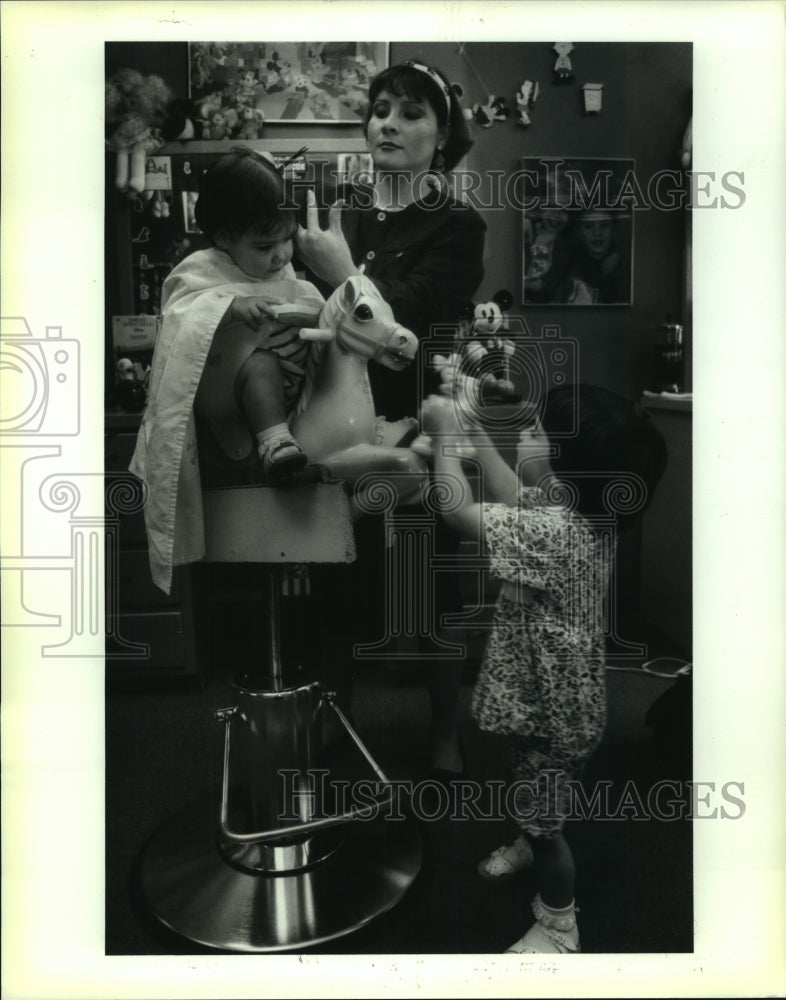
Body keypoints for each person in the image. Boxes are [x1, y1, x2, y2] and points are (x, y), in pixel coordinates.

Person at [420, 384, 666, 953]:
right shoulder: (582, 513)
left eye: (535, 436)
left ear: (564, 465)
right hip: (552, 705)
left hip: (552, 717)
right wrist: (473, 432)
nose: (524, 438)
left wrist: (443, 437)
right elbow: (512, 491)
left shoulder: (553, 533)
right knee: (530, 788)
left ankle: (559, 923)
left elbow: (458, 511)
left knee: (541, 812)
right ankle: (532, 834)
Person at [295, 60, 487, 776]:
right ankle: (333, 724)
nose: (387, 124)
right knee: (334, 585)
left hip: (413, 430)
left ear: (442, 136)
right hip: (333, 426)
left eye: (409, 114)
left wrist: (345, 273)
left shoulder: (458, 225)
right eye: (380, 110)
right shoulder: (339, 216)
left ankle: (443, 734)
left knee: (427, 590)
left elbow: (418, 314)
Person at [129, 148, 326, 594]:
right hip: (223, 402)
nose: (280, 256)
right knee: (260, 365)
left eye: (286, 240)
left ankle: (283, 437)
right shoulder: (200, 271)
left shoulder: (282, 266)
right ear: (223, 237)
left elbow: (305, 303)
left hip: (288, 399)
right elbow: (181, 319)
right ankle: (274, 442)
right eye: (263, 246)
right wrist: (230, 306)